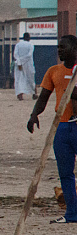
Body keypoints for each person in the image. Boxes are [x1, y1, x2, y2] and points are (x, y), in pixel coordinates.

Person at [27, 34, 77, 223]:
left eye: (63, 47)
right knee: (65, 173)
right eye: (58, 47)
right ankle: (72, 213)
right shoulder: (53, 71)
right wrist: (34, 116)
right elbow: (43, 97)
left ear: (74, 49)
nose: (59, 50)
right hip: (62, 128)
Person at [13, 32, 36, 101]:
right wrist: (23, 61)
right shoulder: (31, 45)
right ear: (29, 38)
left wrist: (19, 61)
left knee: (19, 79)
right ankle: (34, 94)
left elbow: (15, 54)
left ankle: (19, 95)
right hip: (28, 65)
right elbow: (29, 55)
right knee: (31, 79)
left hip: (19, 65)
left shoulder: (18, 44)